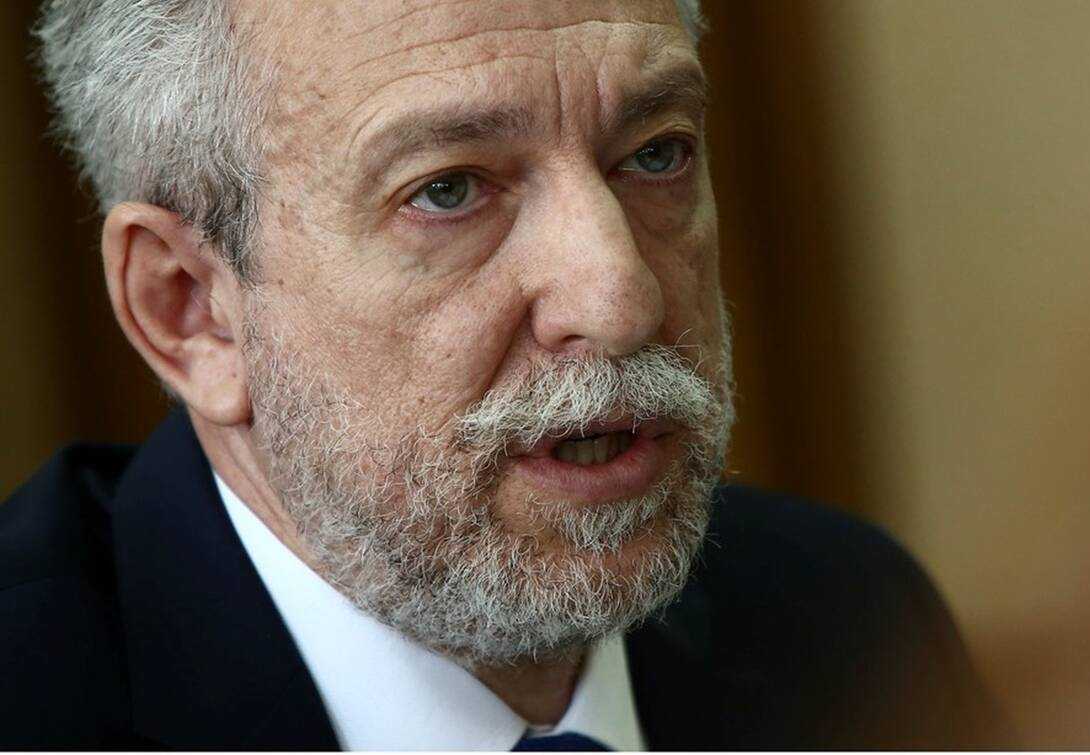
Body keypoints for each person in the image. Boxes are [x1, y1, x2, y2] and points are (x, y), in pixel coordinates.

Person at [2, 0, 1002, 748]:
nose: (619, 300)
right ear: (190, 310)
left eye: (656, 154)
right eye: (448, 191)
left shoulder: (854, 628)